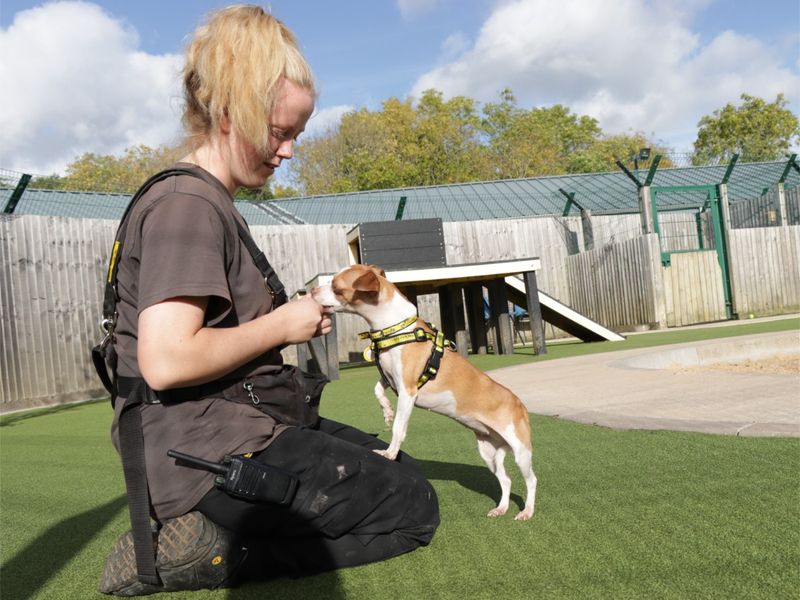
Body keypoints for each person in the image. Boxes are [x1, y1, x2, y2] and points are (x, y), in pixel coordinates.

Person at [100, 5, 439, 594]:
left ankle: (222, 532)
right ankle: (213, 556)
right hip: (205, 455)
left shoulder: (199, 199)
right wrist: (283, 325)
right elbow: (167, 360)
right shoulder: (188, 207)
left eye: (295, 135)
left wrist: (292, 319)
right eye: (280, 132)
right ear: (229, 114)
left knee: (397, 468)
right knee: (414, 508)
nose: (287, 151)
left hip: (221, 434)